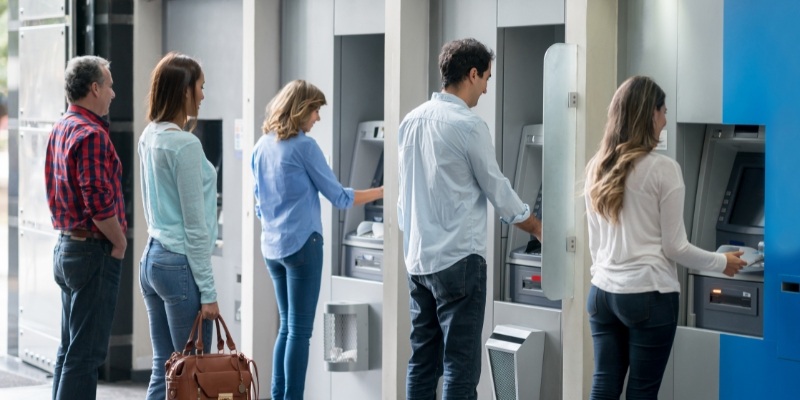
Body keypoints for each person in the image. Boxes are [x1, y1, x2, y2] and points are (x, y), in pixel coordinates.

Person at [584, 76, 746, 399]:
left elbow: (595, 244)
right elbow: (675, 246)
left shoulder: (597, 167)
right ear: (650, 115)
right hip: (648, 295)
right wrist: (721, 262)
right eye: (663, 111)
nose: (666, 119)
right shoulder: (663, 170)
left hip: (602, 294)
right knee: (642, 393)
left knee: (604, 386)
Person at [397, 38, 542, 400]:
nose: (487, 88)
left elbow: (403, 198)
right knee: (461, 367)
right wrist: (537, 226)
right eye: (486, 78)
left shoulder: (410, 121)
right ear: (472, 73)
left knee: (422, 363)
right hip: (460, 261)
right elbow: (498, 189)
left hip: (418, 261)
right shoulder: (468, 125)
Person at [251, 79, 383, 400]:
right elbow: (339, 197)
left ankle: (279, 395)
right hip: (302, 247)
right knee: (299, 331)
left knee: (286, 327)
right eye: (315, 110)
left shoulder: (261, 146)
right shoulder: (304, 147)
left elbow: (258, 204)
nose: (318, 118)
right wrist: (382, 190)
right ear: (300, 110)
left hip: (272, 248)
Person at [138, 52, 220, 399]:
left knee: (166, 366)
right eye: (200, 87)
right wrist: (210, 292)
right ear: (184, 90)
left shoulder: (149, 136)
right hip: (179, 263)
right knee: (195, 369)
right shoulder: (185, 144)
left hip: (153, 259)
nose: (203, 95)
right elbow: (195, 227)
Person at [45, 55, 127, 400]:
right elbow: (97, 202)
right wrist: (120, 242)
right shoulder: (91, 134)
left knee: (70, 351)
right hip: (92, 251)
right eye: (109, 85)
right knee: (86, 355)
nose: (113, 93)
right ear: (94, 88)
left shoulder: (62, 126)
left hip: (67, 248)